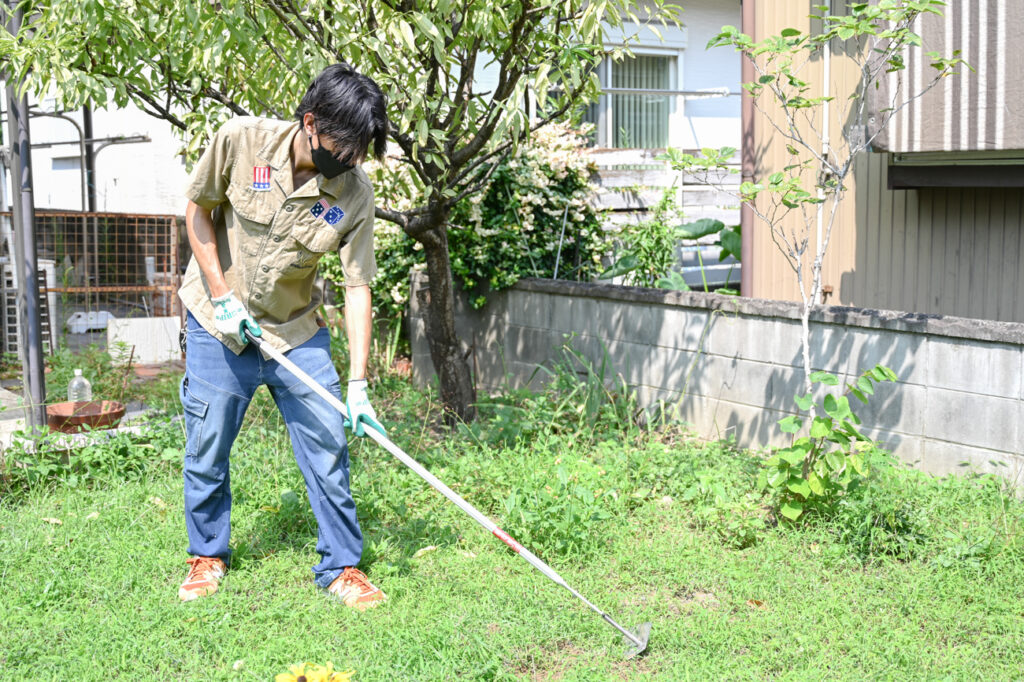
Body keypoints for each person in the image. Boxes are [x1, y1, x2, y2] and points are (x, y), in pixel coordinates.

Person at [176, 63, 389, 610]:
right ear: (310, 122)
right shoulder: (240, 142)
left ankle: (340, 566)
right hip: (216, 322)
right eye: (344, 147)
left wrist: (359, 383)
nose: (351, 161)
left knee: (328, 446)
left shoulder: (353, 192)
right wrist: (222, 298)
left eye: (360, 151)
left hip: (294, 331)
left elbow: (357, 284)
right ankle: (208, 553)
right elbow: (197, 214)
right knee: (208, 444)